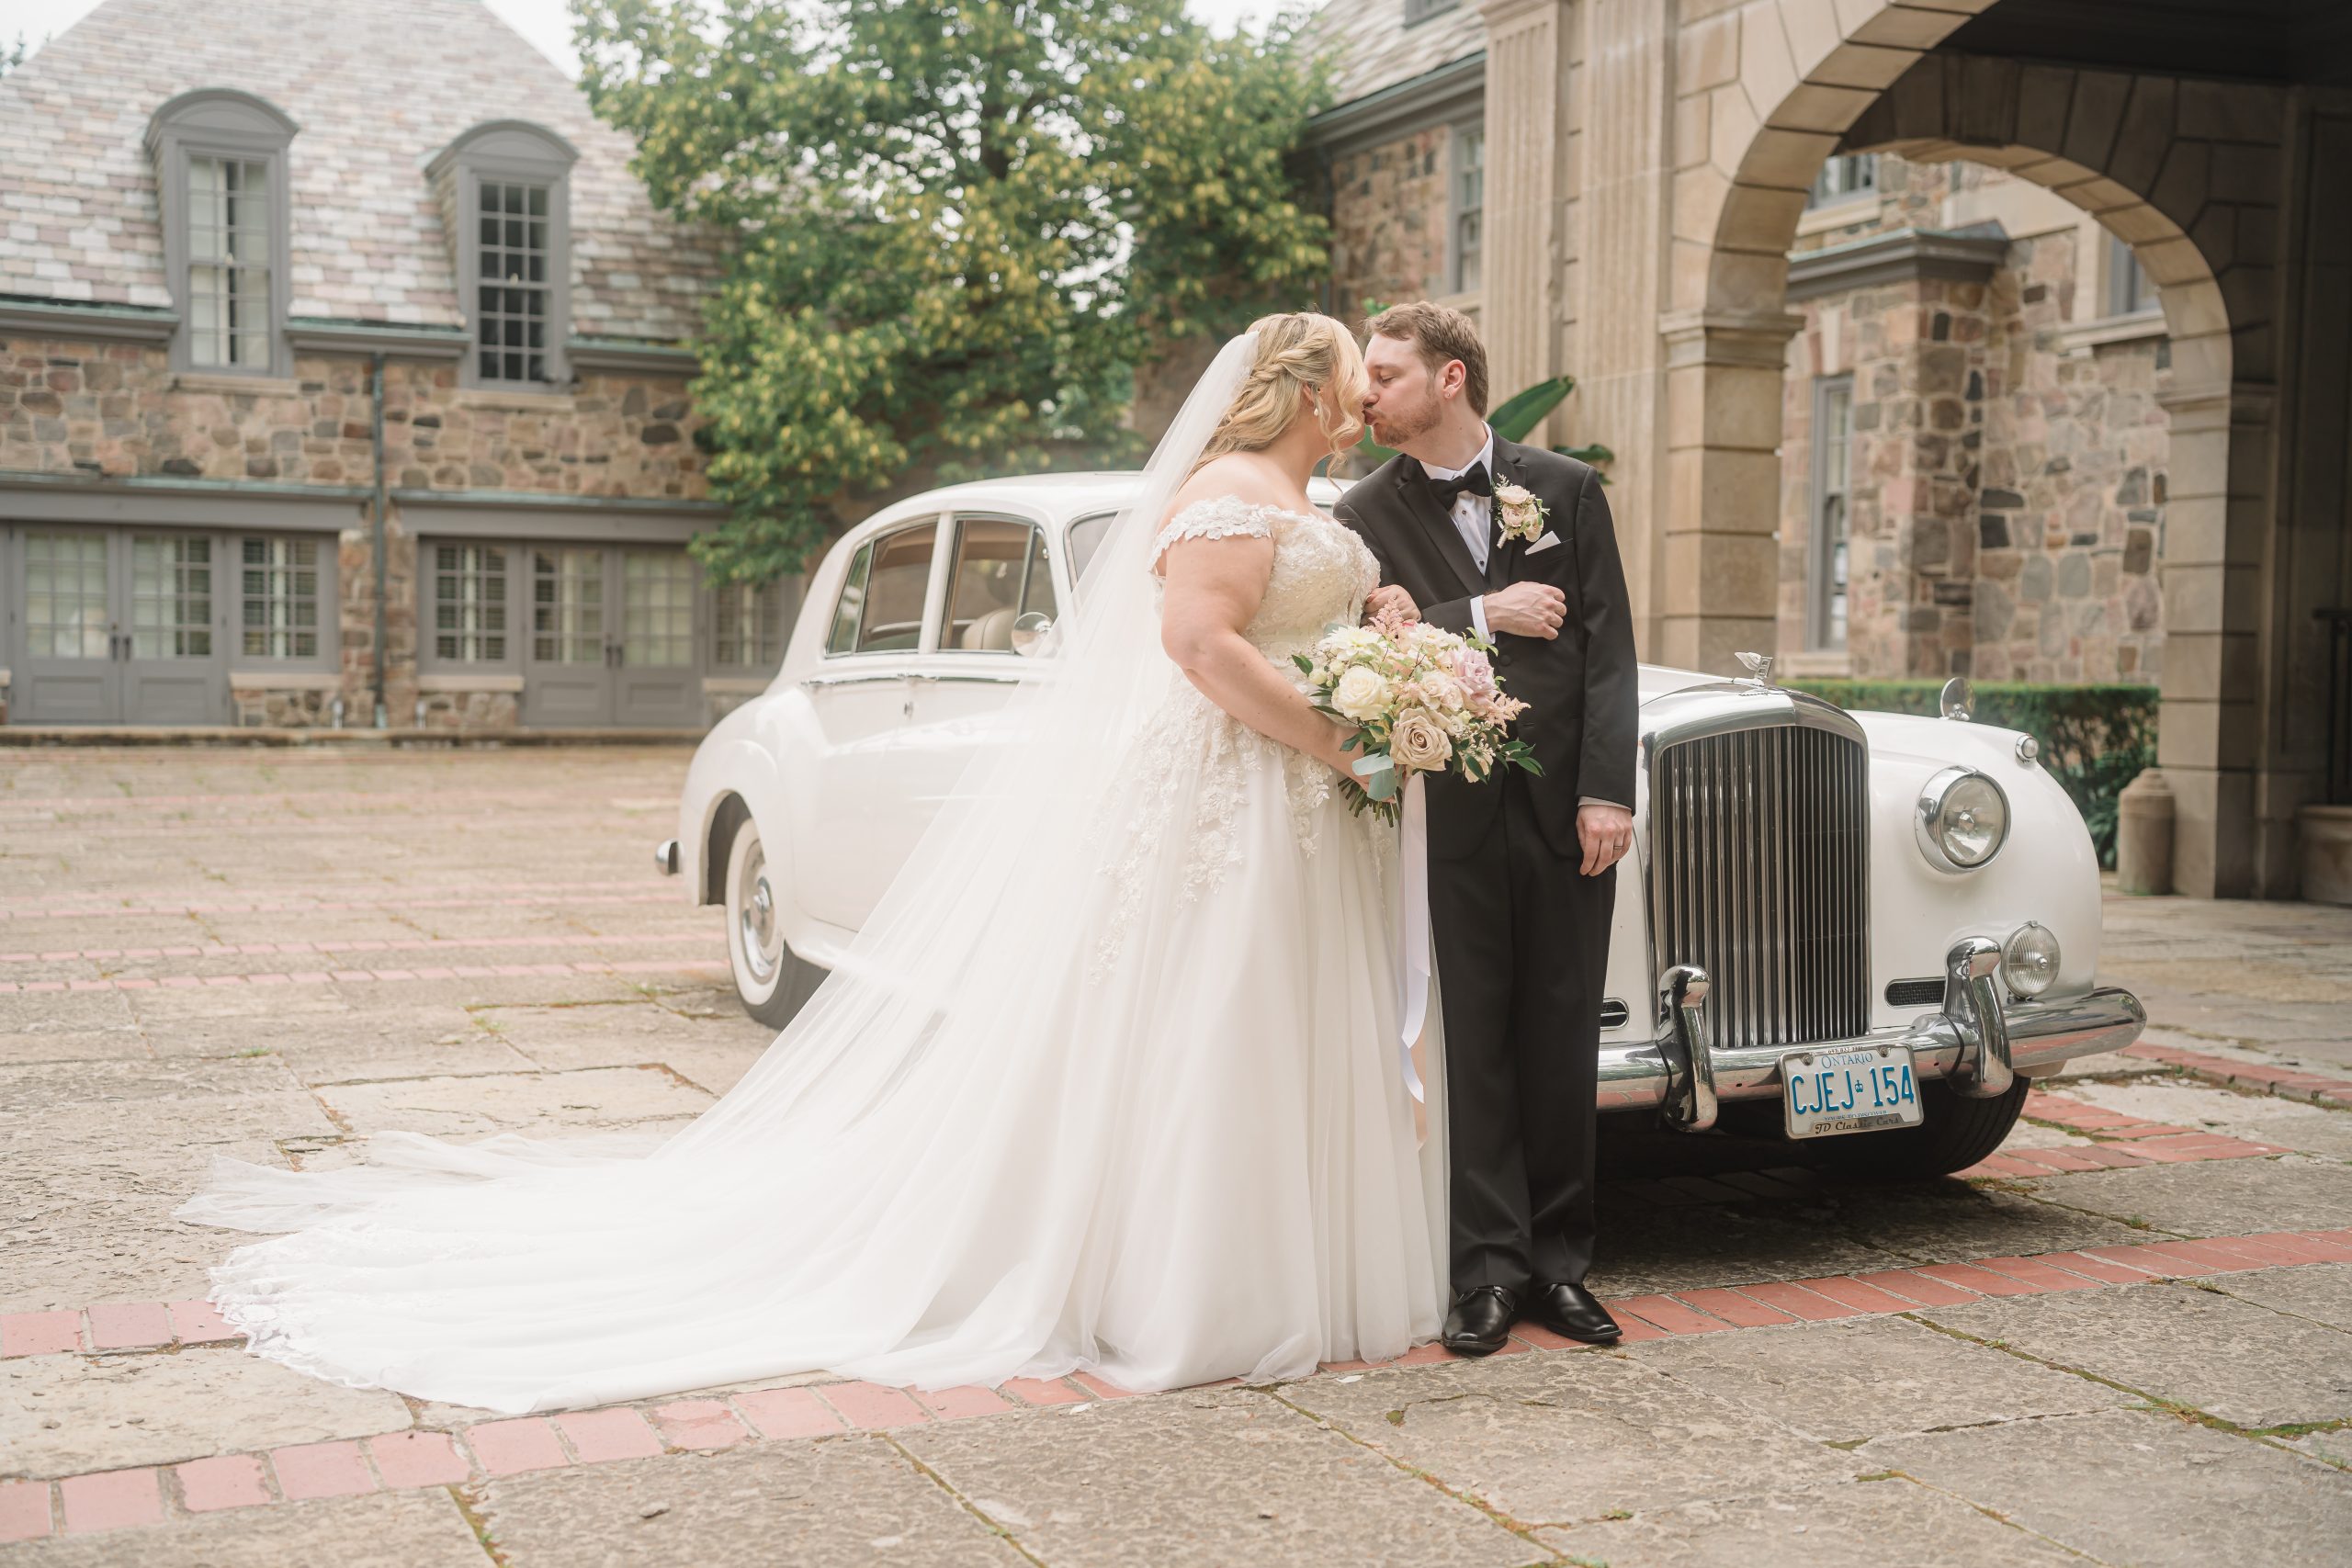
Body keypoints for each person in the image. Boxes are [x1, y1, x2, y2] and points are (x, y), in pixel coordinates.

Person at [177, 314, 1445, 1415]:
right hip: (1241, 782)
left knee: (1271, 1015)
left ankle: (1293, 1265)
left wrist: (1386, 650)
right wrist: (1341, 735)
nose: (1367, 389)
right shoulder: (1224, 484)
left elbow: (1298, 622)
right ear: (1307, 385)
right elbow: (1200, 643)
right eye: (1352, 369)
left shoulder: (1310, 504)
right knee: (1202, 1019)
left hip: (1304, 795)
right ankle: (1188, 1285)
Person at [1336, 302, 1638, 1357]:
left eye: (1385, 374)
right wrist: (1480, 614)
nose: (1364, 393)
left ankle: (1562, 1267)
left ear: (1450, 378)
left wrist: (1607, 791)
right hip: (1441, 811)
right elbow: (1353, 647)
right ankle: (1486, 1274)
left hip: (1565, 810)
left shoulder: (1563, 488)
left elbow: (1608, 648)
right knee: (1468, 1044)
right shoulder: (1361, 512)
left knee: (1559, 1035)